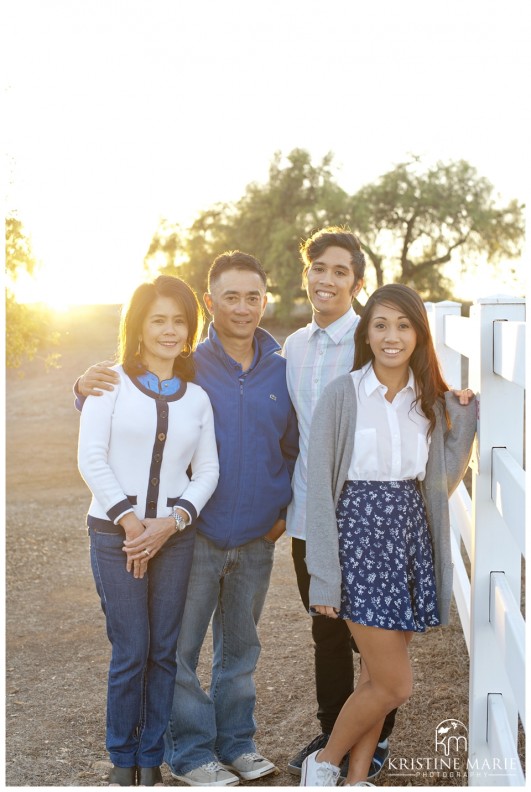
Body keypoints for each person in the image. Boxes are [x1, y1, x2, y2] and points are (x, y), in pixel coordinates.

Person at [76, 252, 299, 787]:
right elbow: (106, 435)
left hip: (223, 536)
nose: (243, 308)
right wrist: (80, 388)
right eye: (230, 296)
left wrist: (275, 518)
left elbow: (272, 451)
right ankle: (164, 756)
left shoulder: (270, 370)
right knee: (159, 651)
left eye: (253, 297)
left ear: (265, 300)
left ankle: (210, 748)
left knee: (229, 650)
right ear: (211, 302)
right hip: (159, 534)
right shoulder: (156, 371)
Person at [299, 283, 477, 786]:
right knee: (396, 684)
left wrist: (462, 412)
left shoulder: (429, 402)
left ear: (419, 334)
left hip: (406, 538)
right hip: (357, 540)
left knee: (375, 678)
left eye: (403, 325)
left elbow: (441, 478)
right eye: (380, 324)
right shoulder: (344, 394)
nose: (391, 336)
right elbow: (319, 492)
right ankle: (325, 762)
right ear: (367, 333)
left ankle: (357, 779)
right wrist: (324, 578)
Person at [77, 276, 219, 786]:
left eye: (178, 321)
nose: (168, 330)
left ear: (189, 330)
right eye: (157, 319)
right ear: (138, 326)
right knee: (131, 648)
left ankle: (151, 757)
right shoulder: (107, 384)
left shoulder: (197, 399)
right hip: (115, 537)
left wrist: (172, 521)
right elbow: (91, 457)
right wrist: (132, 523)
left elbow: (207, 472)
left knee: (164, 650)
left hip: (173, 540)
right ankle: (122, 758)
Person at [283, 227, 395, 782]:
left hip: (365, 518)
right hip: (310, 516)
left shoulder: (370, 338)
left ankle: (373, 744)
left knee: (373, 635)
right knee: (325, 632)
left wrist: (460, 400)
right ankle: (334, 731)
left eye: (340, 271)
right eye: (318, 269)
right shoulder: (295, 347)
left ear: (357, 281)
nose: (327, 280)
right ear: (307, 274)